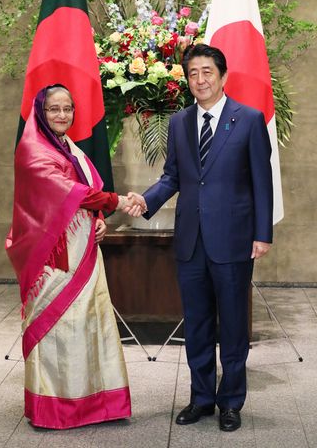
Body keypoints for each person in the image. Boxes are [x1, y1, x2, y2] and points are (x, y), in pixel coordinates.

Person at [128, 44, 273, 432]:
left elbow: (262, 180)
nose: (200, 80)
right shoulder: (178, 123)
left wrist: (262, 234)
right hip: (191, 241)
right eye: (193, 73)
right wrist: (145, 200)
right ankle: (202, 398)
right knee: (197, 324)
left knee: (233, 326)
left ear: (223, 76)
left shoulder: (248, 119)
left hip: (234, 239)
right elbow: (173, 177)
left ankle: (231, 402)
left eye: (207, 72)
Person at [5, 84, 141, 429]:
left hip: (84, 251)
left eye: (67, 108)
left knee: (89, 322)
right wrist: (115, 202)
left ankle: (95, 404)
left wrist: (99, 221)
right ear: (41, 112)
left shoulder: (71, 149)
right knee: (59, 327)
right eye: (54, 109)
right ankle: (55, 409)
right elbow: (69, 192)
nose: (62, 115)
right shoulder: (33, 150)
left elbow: (84, 196)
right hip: (53, 260)